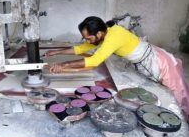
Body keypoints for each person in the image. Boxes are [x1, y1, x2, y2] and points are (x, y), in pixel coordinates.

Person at [46, 16, 189, 120]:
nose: (87, 41)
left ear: (99, 34)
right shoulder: (105, 33)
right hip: (148, 60)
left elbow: (95, 60)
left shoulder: (113, 37)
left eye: (88, 38)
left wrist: (62, 65)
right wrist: (56, 52)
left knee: (179, 95)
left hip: (159, 62)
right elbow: (81, 48)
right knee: (170, 90)